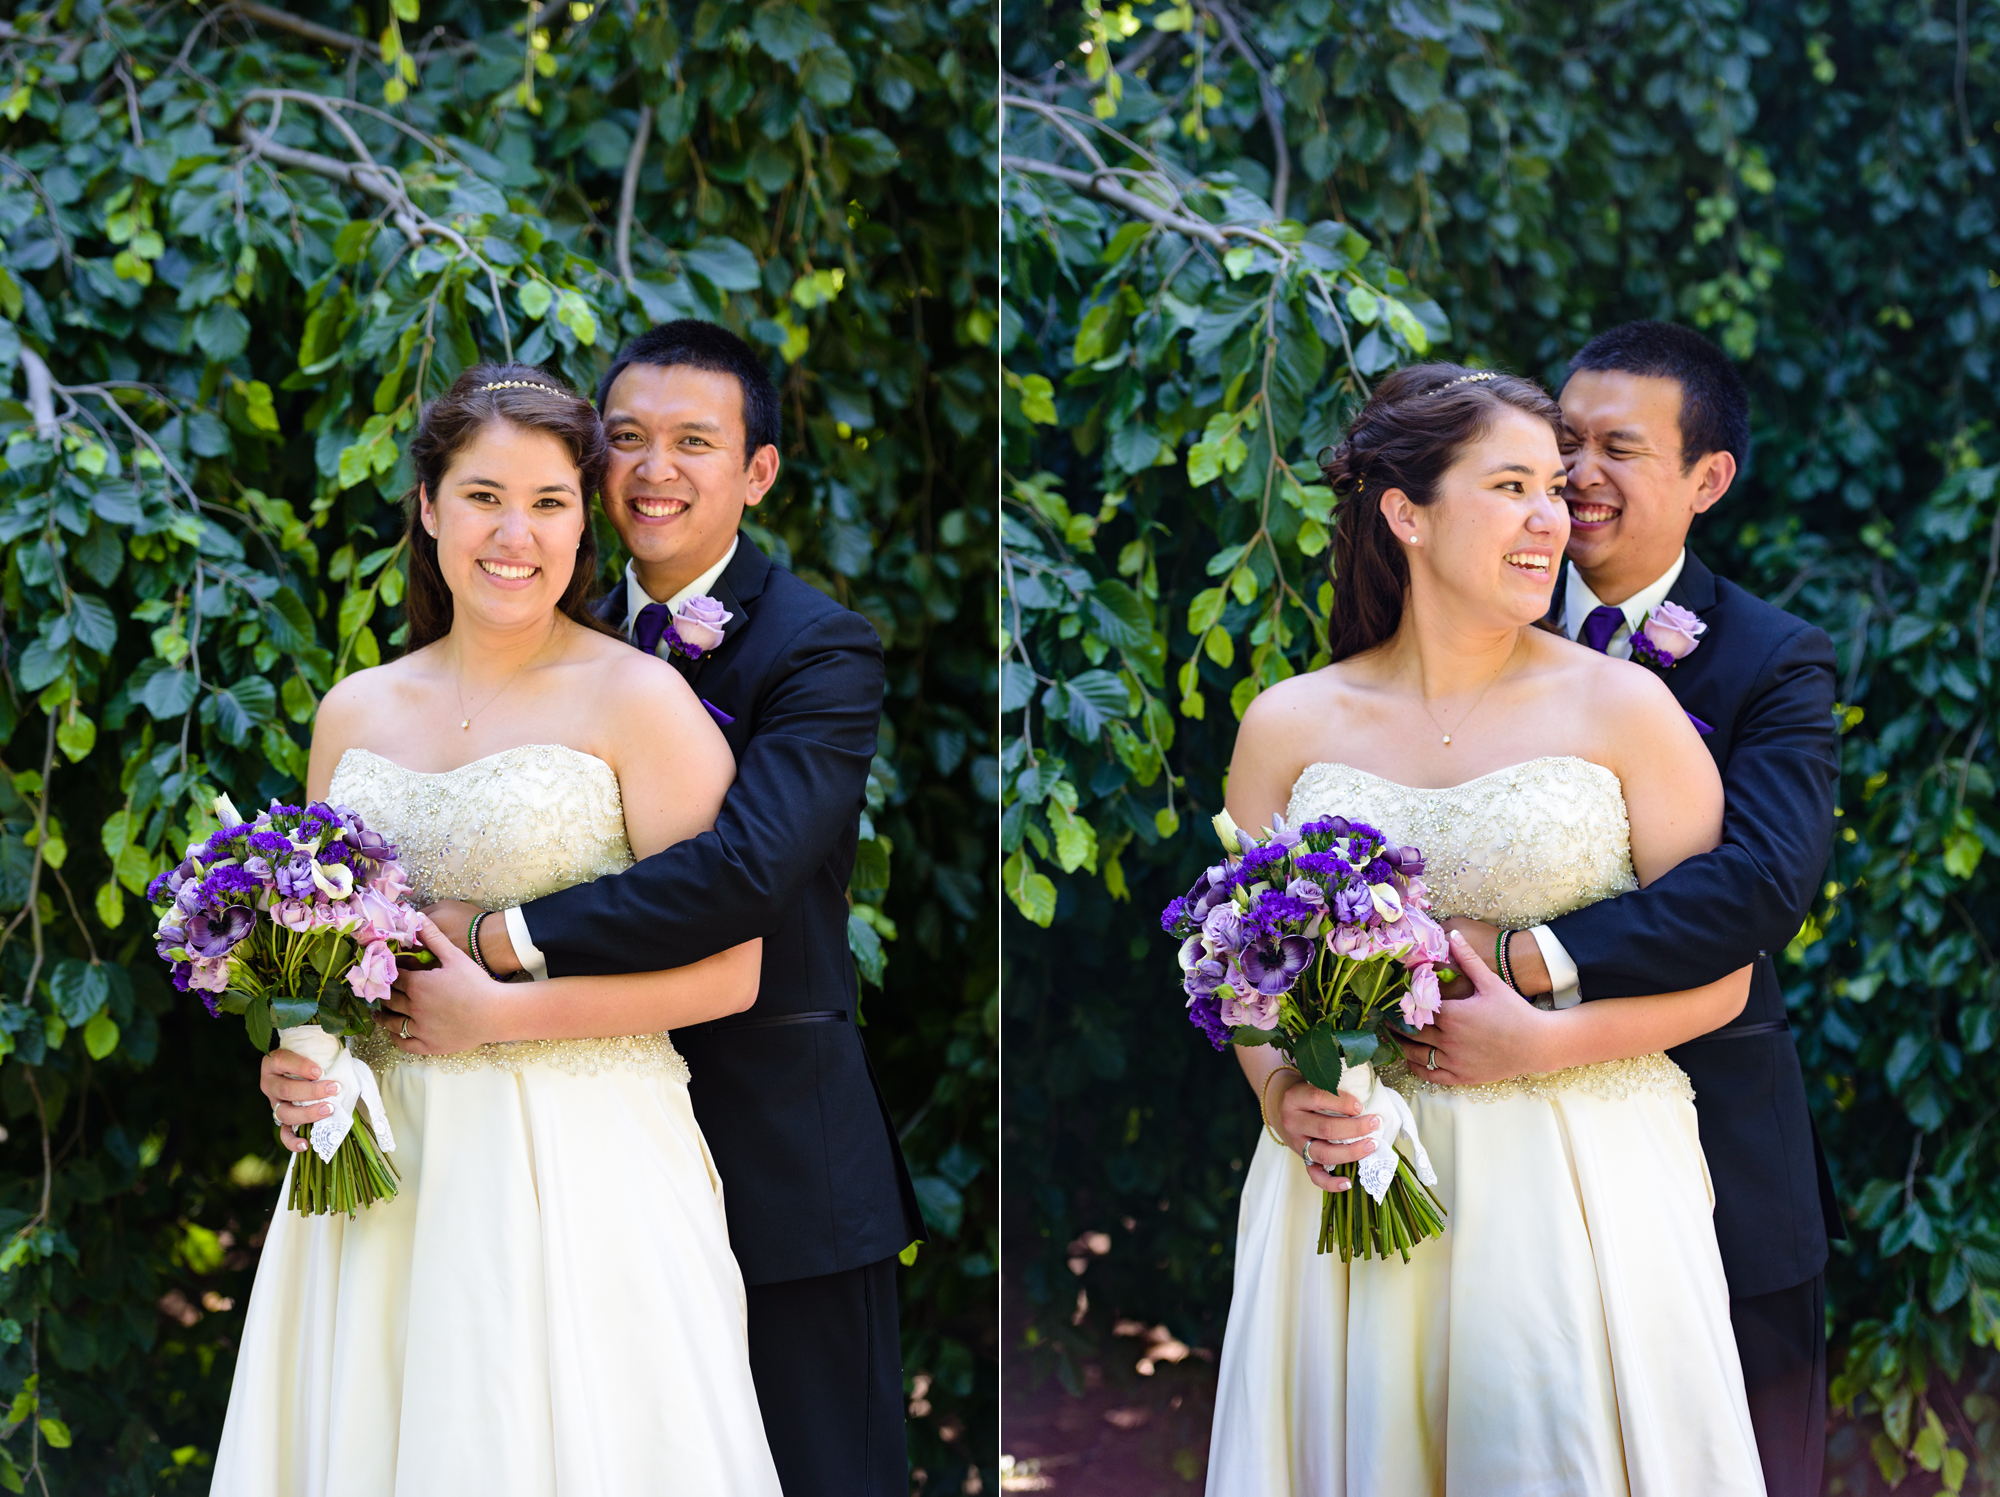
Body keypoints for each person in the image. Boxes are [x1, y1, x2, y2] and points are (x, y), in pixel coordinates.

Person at [264, 322, 924, 1496]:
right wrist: (299, 1051)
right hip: (427, 1154)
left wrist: (489, 949)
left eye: (692, 443)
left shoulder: (811, 650)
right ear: (432, 507)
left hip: (751, 1143)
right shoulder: (430, 673)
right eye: (626, 441)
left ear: (756, 472)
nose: (652, 471)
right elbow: (330, 939)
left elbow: (739, 879)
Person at [1207, 363, 1766, 1494]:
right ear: (1404, 514)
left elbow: (1725, 981)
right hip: (1350, 1181)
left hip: (1574, 1176)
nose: (1550, 518)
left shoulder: (1625, 711)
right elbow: (1243, 976)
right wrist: (1281, 1094)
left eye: (1553, 489)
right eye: (1510, 486)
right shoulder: (1288, 724)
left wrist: (1539, 1043)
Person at [1399, 321, 1840, 1497]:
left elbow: (1755, 885)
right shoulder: (1463, 624)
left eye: (1615, 449)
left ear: (1706, 480)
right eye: (1561, 444)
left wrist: (1525, 956)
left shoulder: (1770, 661)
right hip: (1487, 1173)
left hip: (1717, 1150)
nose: (1576, 477)